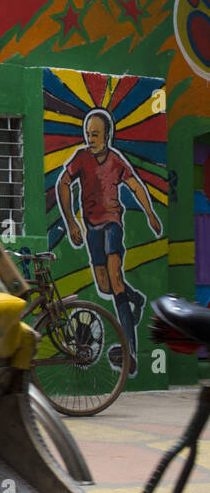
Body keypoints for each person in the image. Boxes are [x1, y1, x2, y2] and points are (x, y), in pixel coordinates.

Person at [56, 108, 162, 376]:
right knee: (104, 285)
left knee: (114, 281)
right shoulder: (81, 158)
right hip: (92, 228)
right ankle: (136, 298)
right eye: (87, 134)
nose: (90, 139)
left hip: (112, 225)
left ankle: (130, 354)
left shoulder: (116, 160)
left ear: (107, 136)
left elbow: (136, 186)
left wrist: (150, 214)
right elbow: (63, 184)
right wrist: (71, 222)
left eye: (95, 135)